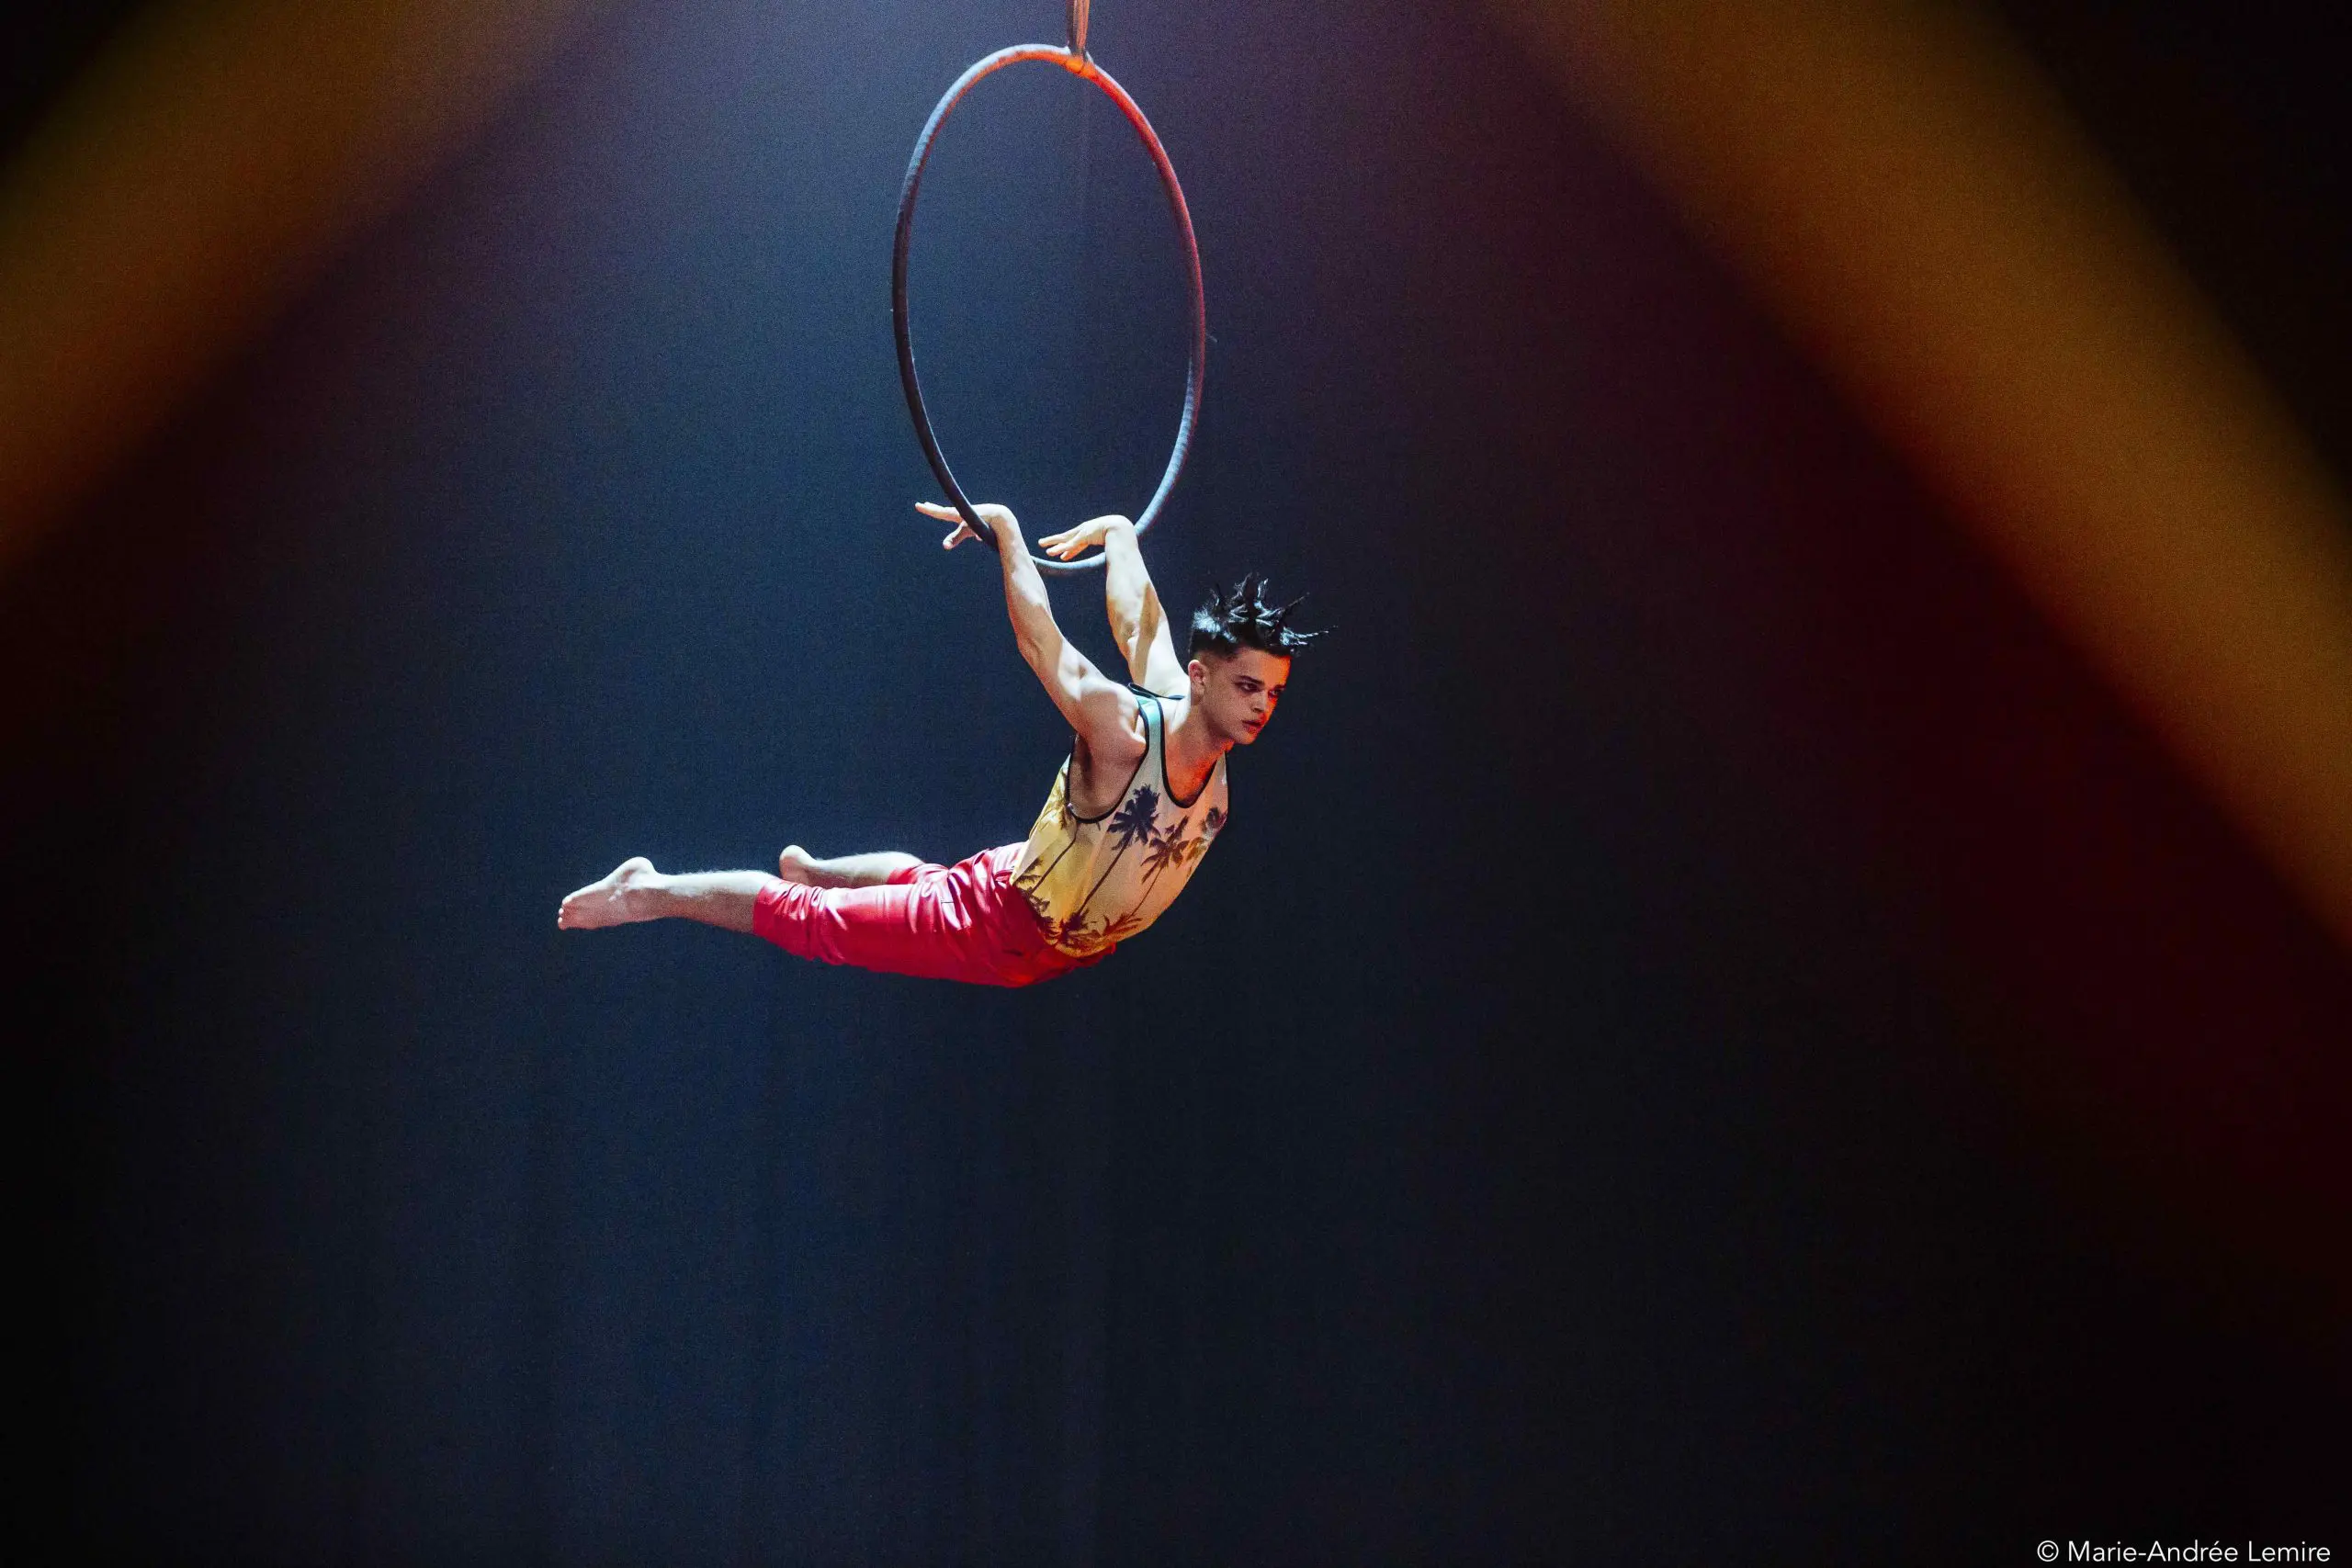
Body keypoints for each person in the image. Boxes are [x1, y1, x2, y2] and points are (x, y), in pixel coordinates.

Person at [557, 501, 1314, 986]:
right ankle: (646, 890)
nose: (1264, 708)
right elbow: (1043, 643)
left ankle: (820, 868)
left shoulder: (1197, 722)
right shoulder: (1122, 733)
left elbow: (1139, 622)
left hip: (1047, 930)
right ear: (1204, 676)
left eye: (1274, 693)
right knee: (814, 924)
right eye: (1250, 687)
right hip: (1003, 924)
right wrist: (1010, 533)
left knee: (927, 879)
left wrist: (1119, 533)